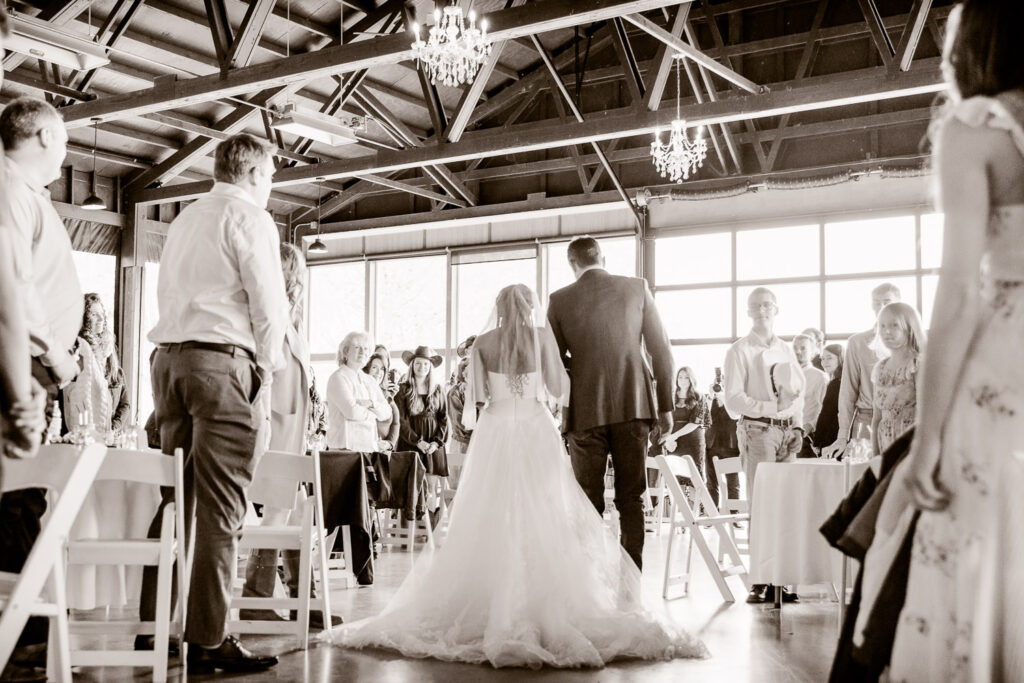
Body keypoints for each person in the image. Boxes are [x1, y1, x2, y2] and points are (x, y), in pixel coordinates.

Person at [327, 284, 707, 667]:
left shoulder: (484, 343)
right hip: (535, 425)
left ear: (499, 309)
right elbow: (558, 388)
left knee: (489, 509)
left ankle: (491, 592)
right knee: (546, 507)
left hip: (495, 430)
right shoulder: (542, 338)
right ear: (529, 308)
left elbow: (476, 399)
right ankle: (550, 596)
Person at [890, 4, 1024, 678]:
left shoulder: (977, 127)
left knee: (988, 541)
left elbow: (959, 294)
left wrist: (927, 438)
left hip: (1006, 356)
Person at [141, 133, 288, 673]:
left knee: (176, 500)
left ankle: (153, 627)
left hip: (168, 363)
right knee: (222, 508)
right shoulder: (250, 218)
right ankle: (207, 639)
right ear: (251, 173)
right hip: (221, 363)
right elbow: (269, 304)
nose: (270, 186)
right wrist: (266, 371)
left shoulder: (185, 218)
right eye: (269, 176)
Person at [0, 95, 83, 657]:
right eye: (66, 140)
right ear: (46, 136)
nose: (66, 151)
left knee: (23, 498)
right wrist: (55, 357)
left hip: (31, 361)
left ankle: (25, 629)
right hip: (24, 364)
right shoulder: (11, 190)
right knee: (18, 499)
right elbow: (16, 292)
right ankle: (23, 636)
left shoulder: (27, 194)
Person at [547, 236, 675, 571]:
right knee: (631, 497)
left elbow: (553, 361)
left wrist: (581, 371)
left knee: (587, 500)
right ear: (602, 258)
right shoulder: (637, 288)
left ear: (572, 263)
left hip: (584, 410)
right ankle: (632, 578)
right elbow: (661, 350)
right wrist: (665, 406)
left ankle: (590, 580)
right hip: (634, 404)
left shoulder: (559, 300)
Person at [240, 244, 339, 630]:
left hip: (293, 431)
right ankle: (256, 599)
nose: (297, 282)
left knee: (296, 514)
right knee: (277, 516)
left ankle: (304, 601)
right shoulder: (264, 314)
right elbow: (262, 375)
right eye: (292, 274)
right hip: (274, 428)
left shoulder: (289, 319)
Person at [723, 287, 804, 603]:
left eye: (767, 304)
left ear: (776, 309)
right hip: (758, 431)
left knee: (786, 506)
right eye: (755, 305)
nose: (762, 310)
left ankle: (781, 580)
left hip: (787, 432)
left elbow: (797, 393)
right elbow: (733, 399)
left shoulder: (786, 348)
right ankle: (760, 580)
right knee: (761, 505)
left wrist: (797, 425)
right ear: (748, 311)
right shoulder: (739, 350)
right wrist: (771, 408)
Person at [822, 283, 901, 458]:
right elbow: (847, 391)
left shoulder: (915, 341)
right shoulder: (857, 342)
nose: (881, 307)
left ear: (899, 304)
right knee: (864, 472)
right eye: (876, 303)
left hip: (905, 419)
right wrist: (842, 435)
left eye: (887, 302)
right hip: (866, 420)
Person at [61, 294, 131, 438]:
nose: (100, 319)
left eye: (102, 314)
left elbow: (125, 404)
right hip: (79, 433)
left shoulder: (109, 349)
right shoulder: (77, 351)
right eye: (94, 314)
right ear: (83, 318)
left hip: (107, 435)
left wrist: (113, 427)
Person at [870, 303, 924, 457]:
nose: (887, 331)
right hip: (885, 447)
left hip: (911, 447)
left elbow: (925, 416)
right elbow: (876, 418)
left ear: (909, 328)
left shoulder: (917, 365)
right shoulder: (880, 368)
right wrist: (875, 457)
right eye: (882, 326)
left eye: (894, 325)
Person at [326, 331, 392, 452]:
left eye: (366, 348)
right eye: (357, 347)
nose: (362, 352)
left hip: (369, 448)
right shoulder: (338, 378)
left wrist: (371, 404)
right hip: (344, 450)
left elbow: (387, 412)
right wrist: (374, 415)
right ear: (346, 351)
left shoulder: (369, 380)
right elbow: (352, 412)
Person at [395, 346, 449, 482]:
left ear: (430, 367)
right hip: (409, 444)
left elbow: (443, 418)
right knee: (411, 487)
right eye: (418, 363)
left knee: (431, 486)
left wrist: (436, 443)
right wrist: (417, 442)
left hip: (432, 446)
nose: (422, 367)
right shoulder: (402, 389)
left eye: (426, 363)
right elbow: (401, 420)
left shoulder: (438, 389)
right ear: (412, 366)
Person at [706, 369, 740, 509]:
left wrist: (724, 396)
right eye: (719, 380)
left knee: (732, 482)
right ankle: (713, 512)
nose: (721, 383)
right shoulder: (710, 398)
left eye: (725, 380)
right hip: (711, 444)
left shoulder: (735, 399)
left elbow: (735, 415)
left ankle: (734, 513)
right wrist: (710, 396)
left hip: (730, 444)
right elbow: (704, 417)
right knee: (711, 482)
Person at [793, 333, 828, 458]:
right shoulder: (784, 375)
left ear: (813, 352)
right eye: (795, 347)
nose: (798, 351)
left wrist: (810, 426)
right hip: (781, 436)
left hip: (805, 438)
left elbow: (825, 410)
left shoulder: (820, 377)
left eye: (803, 348)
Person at [363, 350, 399, 452]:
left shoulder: (386, 395)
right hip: (364, 449)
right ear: (366, 370)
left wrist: (390, 443)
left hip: (383, 451)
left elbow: (396, 423)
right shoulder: (360, 392)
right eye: (374, 367)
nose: (379, 373)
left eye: (382, 369)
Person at [811, 343, 844, 455]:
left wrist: (817, 441)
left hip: (832, 437)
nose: (824, 362)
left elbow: (827, 414)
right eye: (823, 358)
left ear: (840, 359)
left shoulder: (836, 383)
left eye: (829, 358)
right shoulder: (840, 381)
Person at [446, 355, 473, 488]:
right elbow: (459, 423)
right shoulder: (455, 393)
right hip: (461, 442)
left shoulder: (482, 391)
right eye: (469, 370)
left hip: (477, 441)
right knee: (457, 485)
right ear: (463, 372)